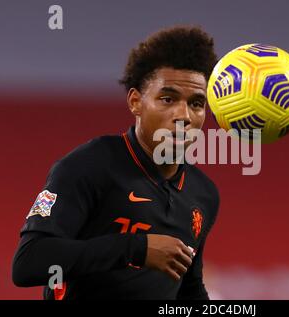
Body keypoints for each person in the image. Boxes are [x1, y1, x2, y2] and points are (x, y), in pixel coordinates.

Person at [12, 26, 220, 300]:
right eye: (167, 99)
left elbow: (188, 289)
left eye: (196, 103)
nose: (183, 115)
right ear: (136, 102)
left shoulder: (203, 194)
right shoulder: (88, 166)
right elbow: (29, 262)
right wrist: (136, 248)